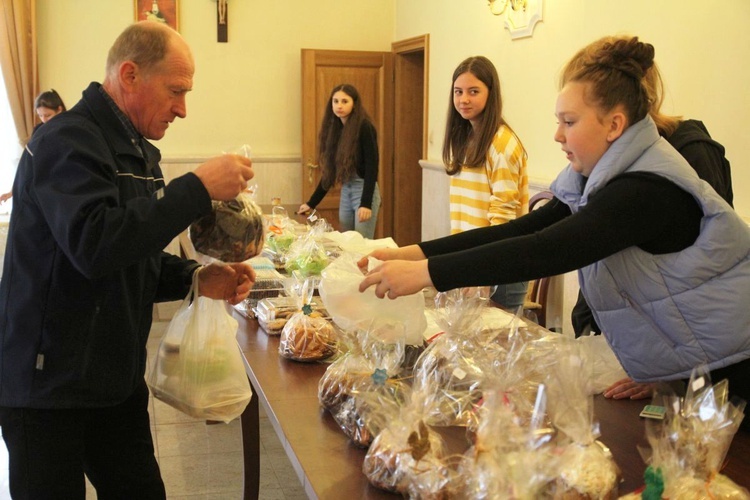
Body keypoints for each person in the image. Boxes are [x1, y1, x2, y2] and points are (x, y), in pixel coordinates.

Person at [358, 36, 750, 424]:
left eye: (569, 122)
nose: (558, 135)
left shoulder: (646, 186)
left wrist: (427, 275)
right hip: (699, 357)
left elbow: (548, 249)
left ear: (614, 124)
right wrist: (415, 254)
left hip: (736, 361)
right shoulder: (600, 173)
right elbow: (527, 229)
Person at [0, 21, 256, 498]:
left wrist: (197, 277)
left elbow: (131, 255)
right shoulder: (65, 141)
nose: (183, 108)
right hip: (46, 388)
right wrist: (197, 188)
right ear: (130, 74)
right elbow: (94, 246)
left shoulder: (137, 151)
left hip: (110, 383)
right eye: (176, 91)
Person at [571, 35, 734, 341]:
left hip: (681, 349)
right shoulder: (606, 159)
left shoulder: (688, 153)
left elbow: (707, 275)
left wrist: (659, 366)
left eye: (571, 119)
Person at [443, 56, 529, 310]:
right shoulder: (468, 138)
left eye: (473, 91)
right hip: (474, 261)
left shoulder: (501, 143)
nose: (464, 99)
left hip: (499, 265)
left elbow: (503, 215)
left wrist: (484, 271)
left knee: (498, 347)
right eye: (458, 92)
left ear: (491, 94)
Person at [297, 84, 381, 238]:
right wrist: (311, 203)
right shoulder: (335, 129)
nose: (339, 106)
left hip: (364, 190)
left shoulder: (364, 126)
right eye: (335, 101)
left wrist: (366, 203)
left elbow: (372, 167)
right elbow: (330, 172)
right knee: (347, 240)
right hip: (347, 191)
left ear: (354, 103)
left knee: (361, 243)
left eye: (344, 101)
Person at [0, 89, 69, 204]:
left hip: (63, 186)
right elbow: (27, 163)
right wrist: (13, 190)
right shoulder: (39, 130)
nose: (44, 120)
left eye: (48, 115)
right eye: (40, 115)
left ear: (59, 110)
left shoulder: (69, 129)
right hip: (42, 188)